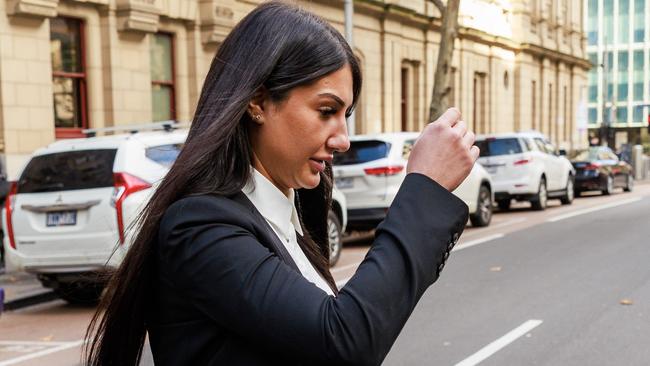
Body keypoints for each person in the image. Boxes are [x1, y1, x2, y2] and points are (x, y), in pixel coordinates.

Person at [84, 2, 478, 365]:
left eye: (346, 114)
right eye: (326, 111)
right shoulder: (200, 226)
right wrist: (423, 186)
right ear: (257, 101)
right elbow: (344, 339)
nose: (342, 139)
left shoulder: (285, 222)